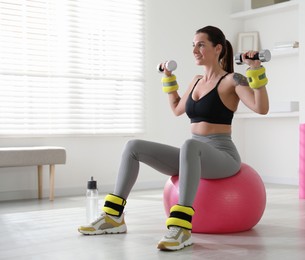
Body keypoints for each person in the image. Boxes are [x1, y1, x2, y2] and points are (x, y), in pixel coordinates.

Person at [78, 25, 269, 251]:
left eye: (201, 45)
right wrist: (169, 79)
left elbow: (261, 107)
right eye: (193, 45)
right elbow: (177, 108)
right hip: (194, 153)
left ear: (218, 48)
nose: (195, 50)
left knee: (190, 145)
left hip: (222, 156)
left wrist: (256, 70)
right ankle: (113, 217)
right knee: (133, 146)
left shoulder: (232, 80)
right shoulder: (196, 81)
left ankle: (181, 229)